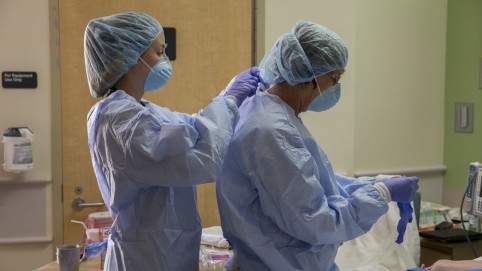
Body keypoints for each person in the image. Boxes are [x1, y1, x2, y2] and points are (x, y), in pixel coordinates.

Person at [216, 20, 420, 271]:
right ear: (306, 76)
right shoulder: (273, 131)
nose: (335, 87)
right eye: (334, 78)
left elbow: (309, 182)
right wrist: (381, 194)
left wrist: (371, 183)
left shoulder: (267, 111)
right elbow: (317, 221)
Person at [84, 11, 264, 271]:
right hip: (144, 260)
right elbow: (201, 160)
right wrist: (229, 101)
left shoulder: (141, 111)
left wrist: (226, 97)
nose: (165, 59)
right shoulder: (120, 121)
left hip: (165, 253)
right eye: (159, 52)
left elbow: (192, 127)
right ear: (129, 58)